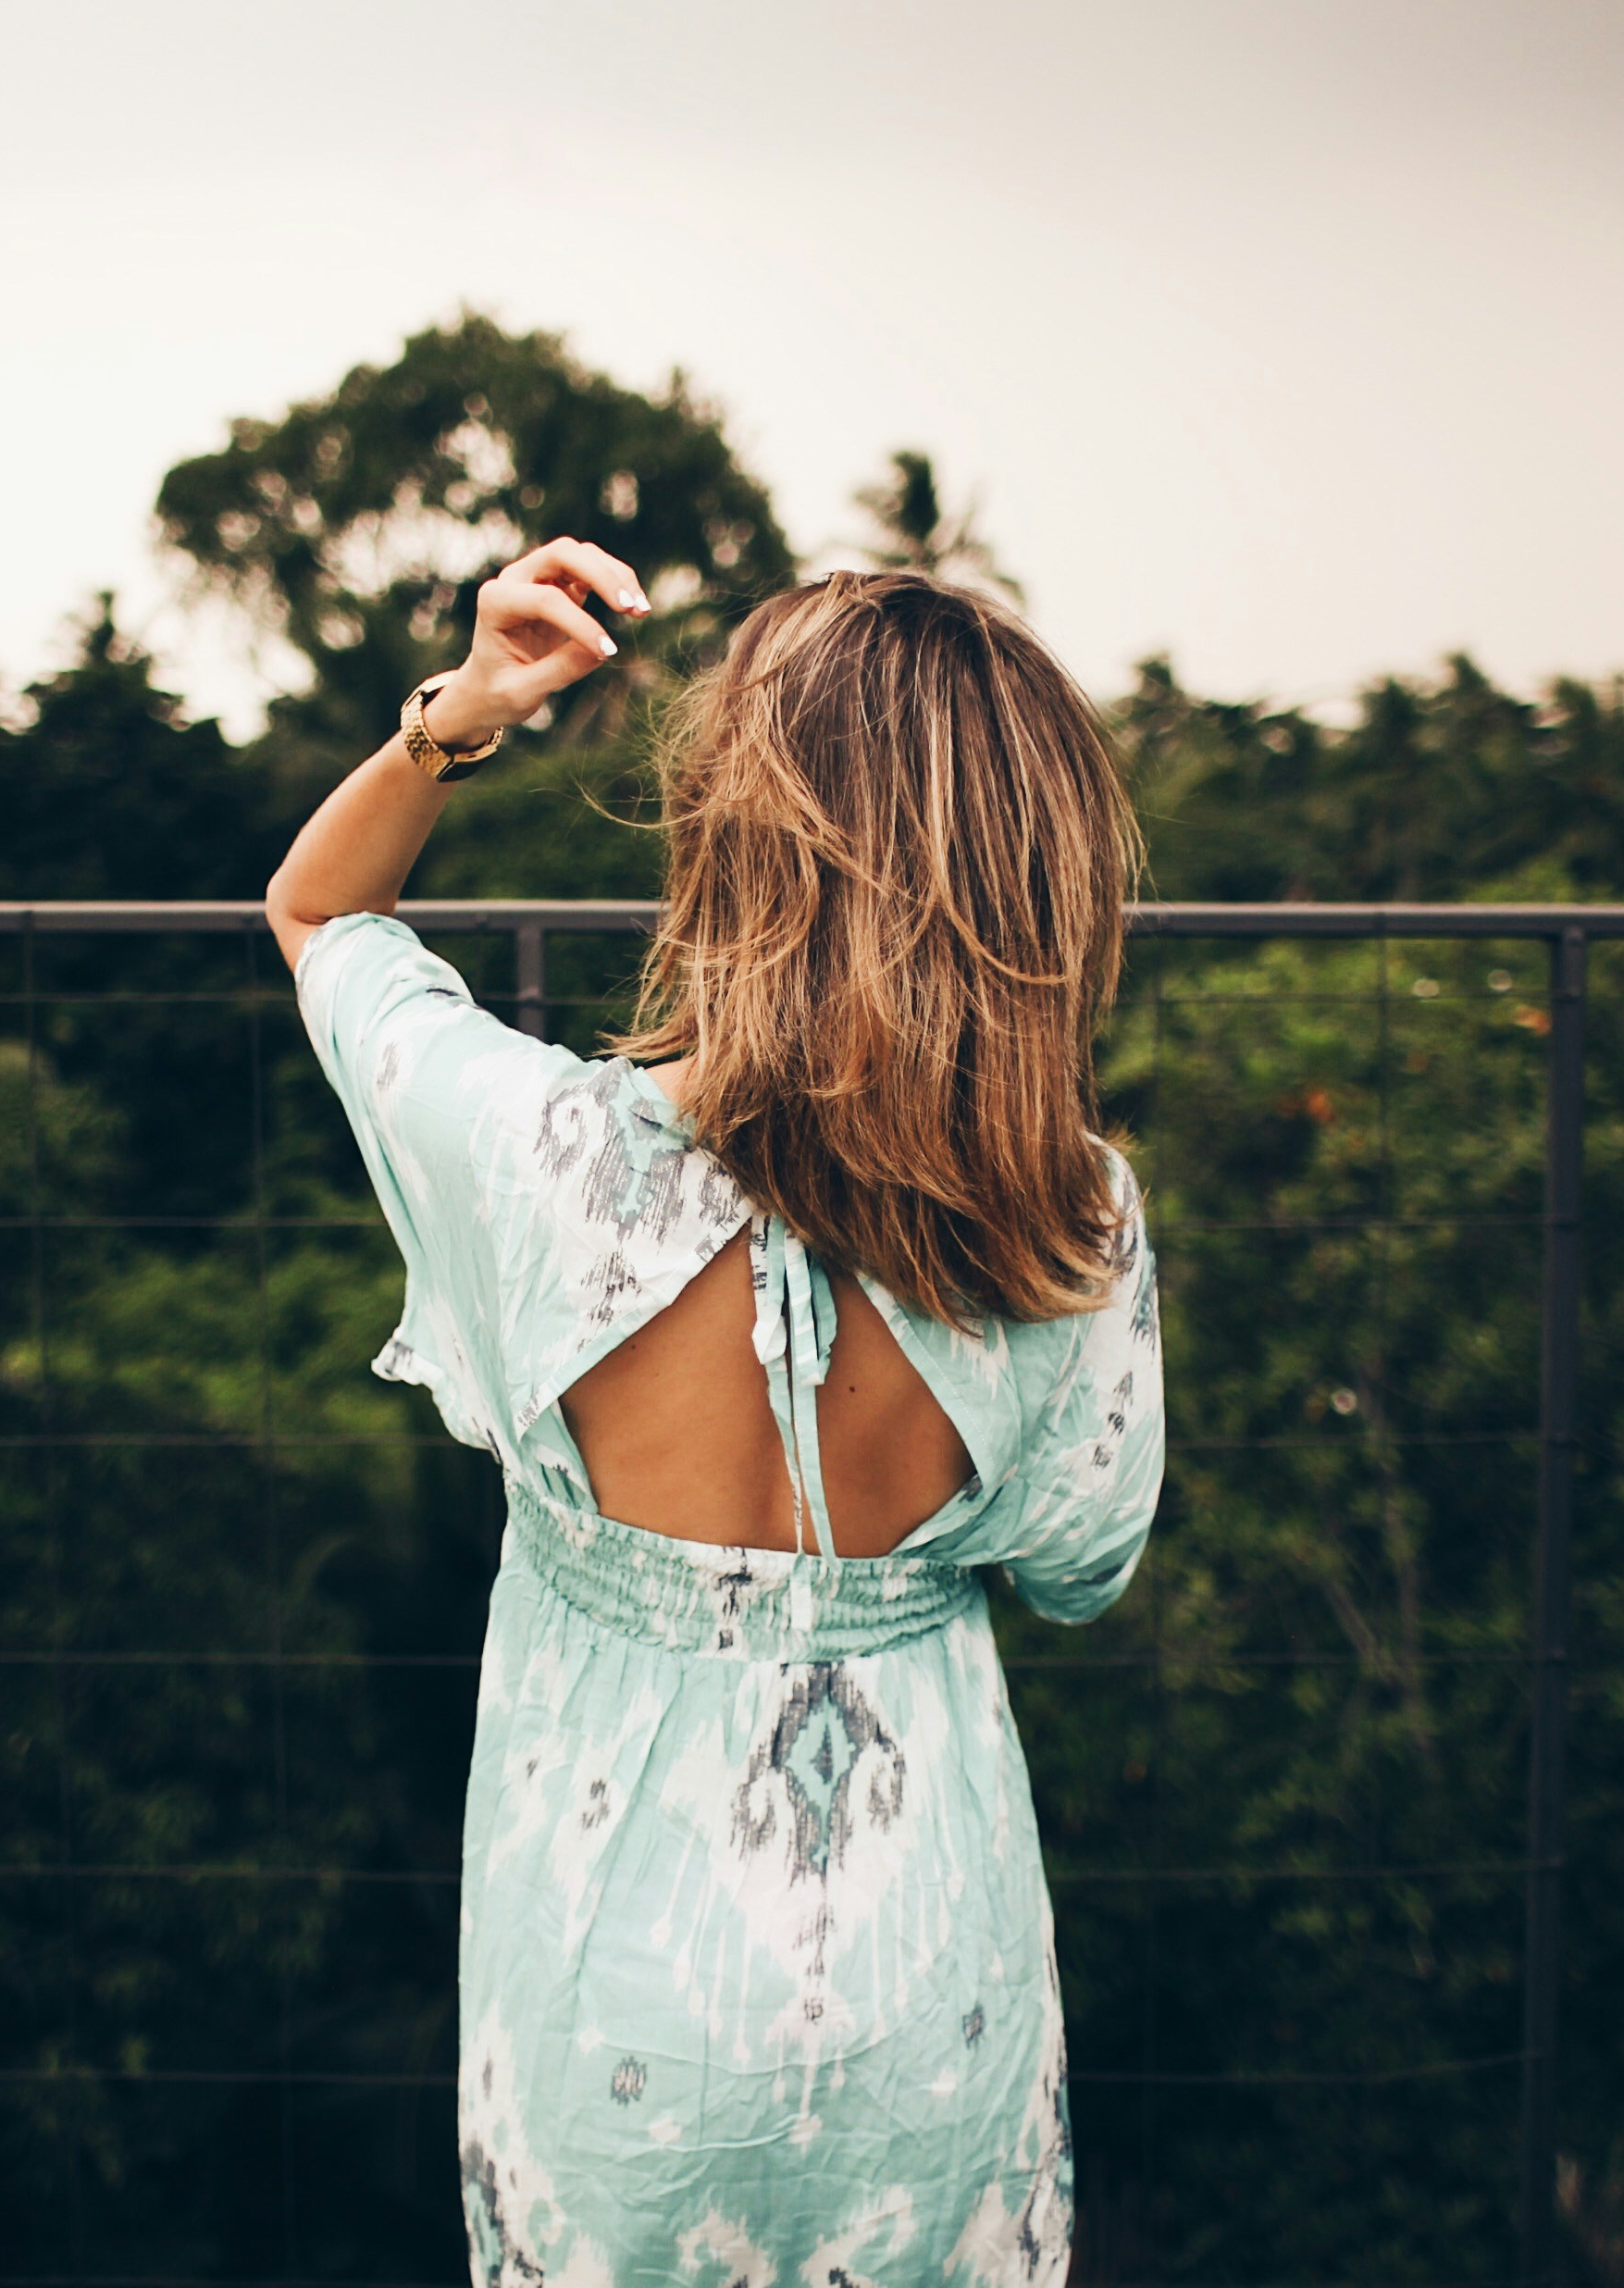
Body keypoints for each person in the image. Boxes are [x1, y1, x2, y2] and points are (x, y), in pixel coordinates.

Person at [266, 541, 1167, 2284]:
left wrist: (454, 724)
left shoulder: (545, 1161)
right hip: (932, 2033)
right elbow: (1079, 1568)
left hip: (618, 2041)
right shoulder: (1073, 1225)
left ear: (741, 838)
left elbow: (320, 916)